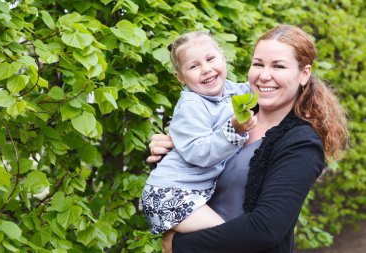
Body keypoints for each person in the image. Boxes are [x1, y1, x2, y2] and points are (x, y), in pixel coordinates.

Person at [147, 24, 349, 253]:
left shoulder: (301, 144)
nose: (264, 75)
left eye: (278, 66)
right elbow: (192, 163)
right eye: (258, 64)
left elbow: (265, 229)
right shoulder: (232, 113)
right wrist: (169, 149)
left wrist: (178, 245)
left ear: (304, 74)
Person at [139, 31, 257, 235]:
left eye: (210, 59)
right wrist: (233, 130)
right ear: (180, 77)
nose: (206, 69)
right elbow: (199, 152)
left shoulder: (233, 91)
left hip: (190, 193)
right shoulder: (191, 105)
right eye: (193, 66)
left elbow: (259, 90)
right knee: (229, 239)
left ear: (222, 57)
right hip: (169, 193)